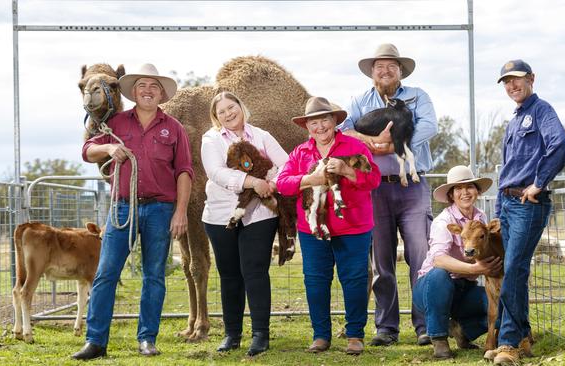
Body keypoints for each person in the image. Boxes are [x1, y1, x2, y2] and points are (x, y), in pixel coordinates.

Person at [73, 63, 193, 360]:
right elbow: (87, 151)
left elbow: (184, 172)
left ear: (161, 93)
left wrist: (180, 212)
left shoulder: (174, 128)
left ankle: (147, 338)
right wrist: (108, 150)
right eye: (142, 86)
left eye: (154, 86)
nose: (148, 91)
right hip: (122, 208)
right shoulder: (116, 124)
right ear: (133, 92)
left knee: (154, 276)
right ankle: (96, 341)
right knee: (105, 274)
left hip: (160, 210)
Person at [339, 43, 438, 346]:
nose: (385, 70)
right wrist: (372, 141)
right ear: (372, 72)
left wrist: (391, 145)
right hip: (374, 187)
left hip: (412, 184)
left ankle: (426, 324)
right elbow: (343, 131)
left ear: (400, 71)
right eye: (379, 66)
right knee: (381, 260)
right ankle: (386, 327)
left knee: (421, 254)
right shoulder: (359, 100)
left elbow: (429, 127)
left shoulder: (418, 96)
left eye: (391, 66)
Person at [277, 96, 381, 355]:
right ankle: (320, 335)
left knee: (355, 279)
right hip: (312, 229)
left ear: (335, 121)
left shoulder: (354, 147)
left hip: (353, 226)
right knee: (315, 280)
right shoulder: (300, 153)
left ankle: (355, 334)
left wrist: (346, 170)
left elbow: (374, 179)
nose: (319, 126)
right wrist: (309, 178)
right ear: (306, 126)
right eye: (313, 122)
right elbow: (282, 183)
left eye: (324, 119)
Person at [489, 60, 565, 364]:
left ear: (531, 79)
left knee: (513, 270)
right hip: (509, 204)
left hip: (528, 205)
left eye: (517, 80)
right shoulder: (515, 119)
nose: (512, 86)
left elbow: (560, 144)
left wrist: (539, 182)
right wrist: (498, 209)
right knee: (516, 273)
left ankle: (507, 344)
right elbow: (508, 168)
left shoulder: (542, 111)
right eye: (506, 82)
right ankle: (522, 336)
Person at [201, 91, 288, 356]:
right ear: (216, 117)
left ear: (241, 106)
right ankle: (232, 334)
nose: (229, 113)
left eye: (232, 107)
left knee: (255, 271)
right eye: (222, 111)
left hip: (259, 214)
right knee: (229, 275)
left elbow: (286, 164)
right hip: (220, 215)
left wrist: (271, 184)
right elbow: (216, 172)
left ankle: (260, 333)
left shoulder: (262, 136)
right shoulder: (212, 139)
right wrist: (252, 182)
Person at [412, 165, 502, 359]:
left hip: (463, 289)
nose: (465, 193)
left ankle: (463, 331)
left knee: (496, 304)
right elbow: (438, 259)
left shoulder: (481, 218)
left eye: (469, 187)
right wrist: (474, 268)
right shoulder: (444, 221)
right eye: (458, 189)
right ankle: (439, 339)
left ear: (477, 191)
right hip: (431, 288)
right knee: (439, 274)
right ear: (451, 195)